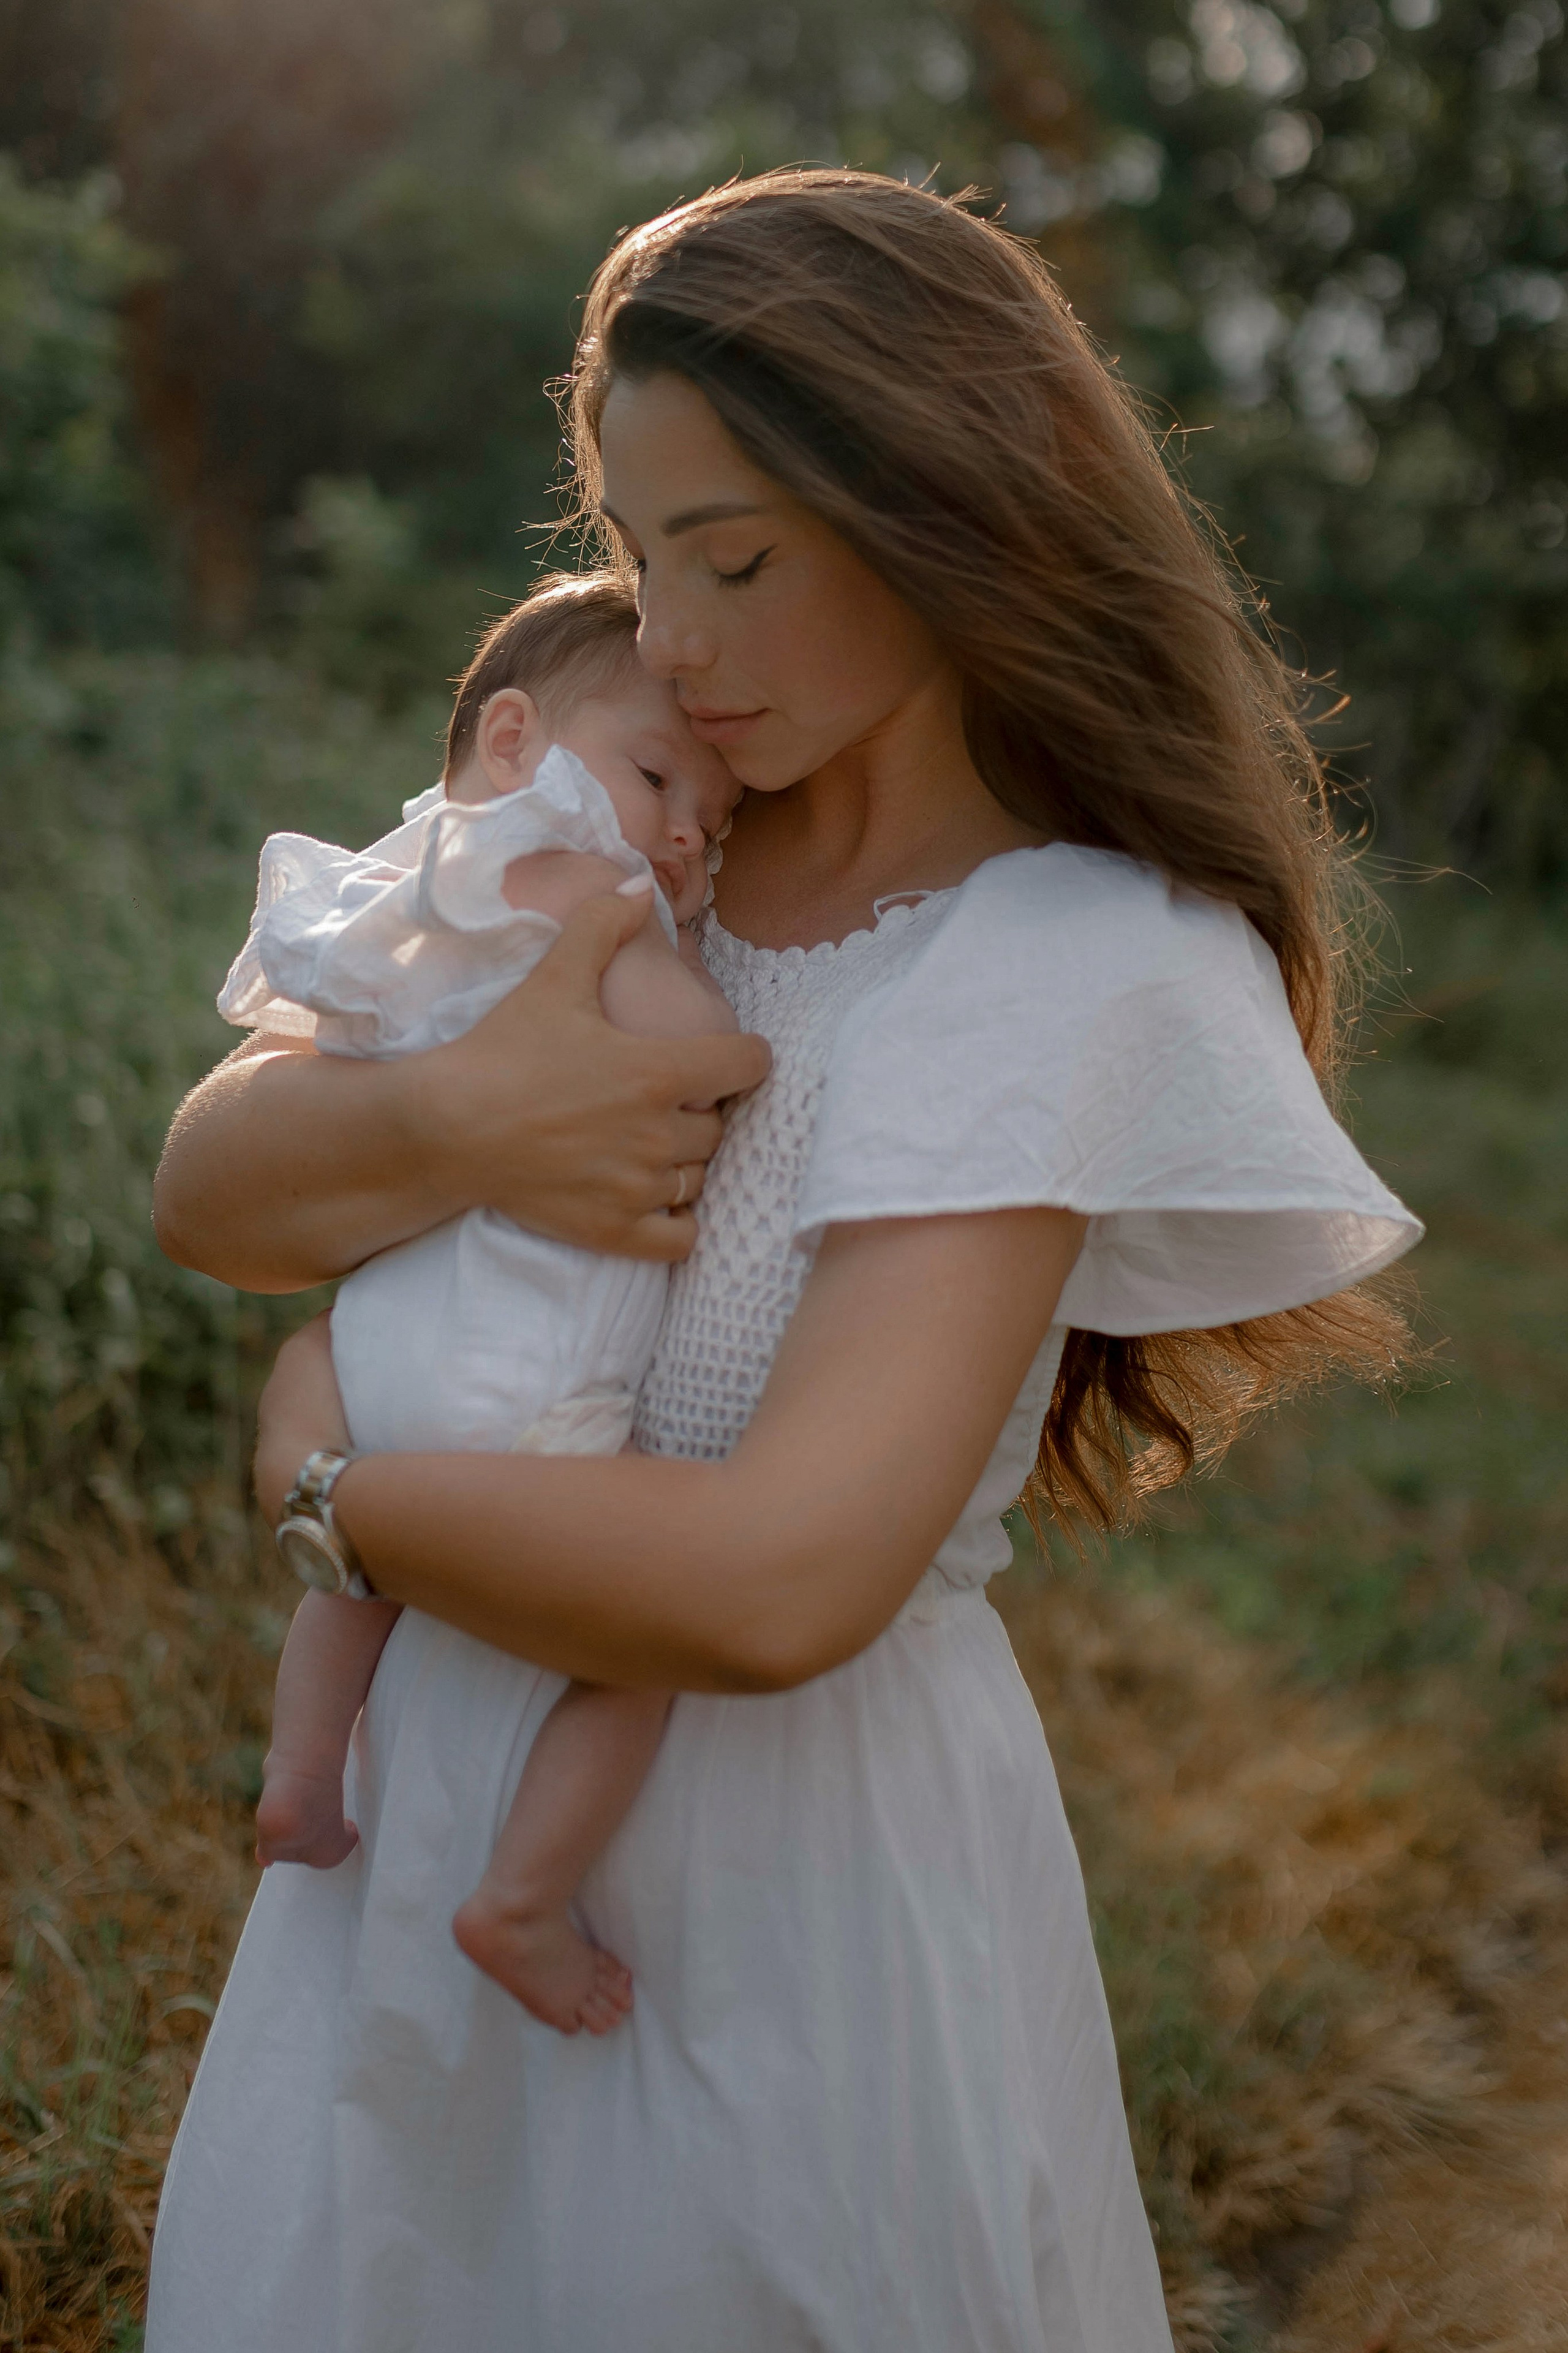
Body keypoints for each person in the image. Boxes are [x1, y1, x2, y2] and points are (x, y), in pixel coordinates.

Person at [146, 169, 1421, 2353]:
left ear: (952, 510)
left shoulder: (1061, 952)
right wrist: (459, 1117)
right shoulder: (624, 822)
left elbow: (775, 1583)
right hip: (429, 1823)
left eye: (733, 560)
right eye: (638, 558)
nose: (673, 636)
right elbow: (215, 1188)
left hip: (784, 1893)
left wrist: (332, 1499)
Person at [222, 573, 741, 2034]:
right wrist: (702, 991)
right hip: (522, 1382)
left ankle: (303, 1775)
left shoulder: (408, 888)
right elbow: (695, 1060)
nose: (688, 833)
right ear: (515, 741)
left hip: (386, 1342)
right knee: (639, 1653)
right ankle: (520, 1896)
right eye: (655, 779)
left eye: (717, 815)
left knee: (362, 1579)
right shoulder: (579, 891)